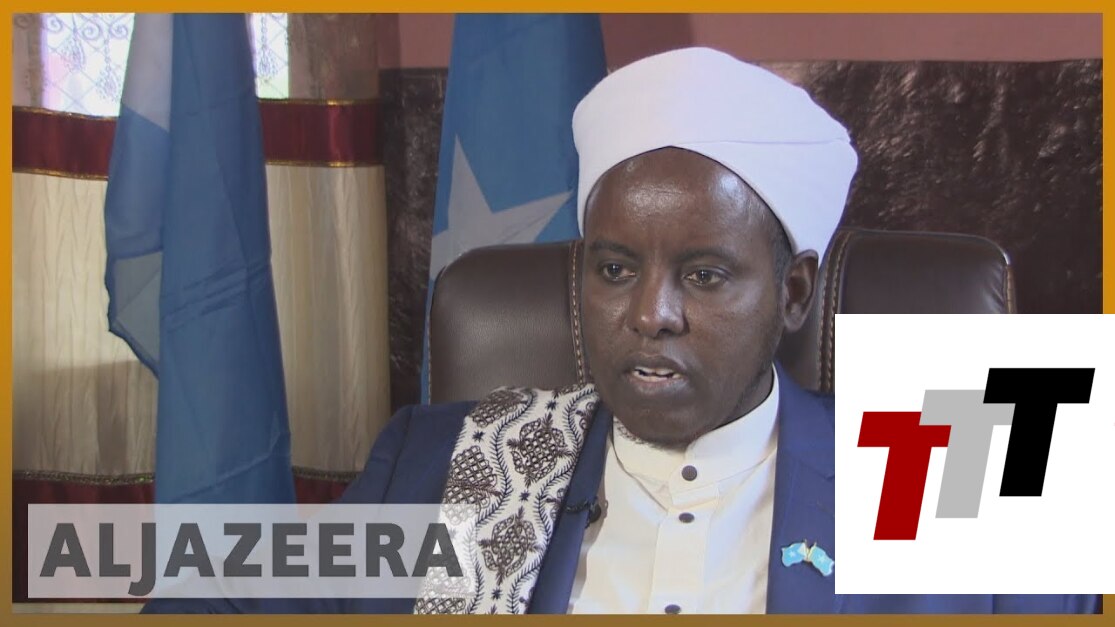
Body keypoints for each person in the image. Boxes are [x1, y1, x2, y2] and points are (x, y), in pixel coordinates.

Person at [144, 47, 1101, 614]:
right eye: (612, 268)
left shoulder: (965, 458)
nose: (649, 312)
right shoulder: (446, 459)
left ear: (794, 292)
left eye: (705, 274)